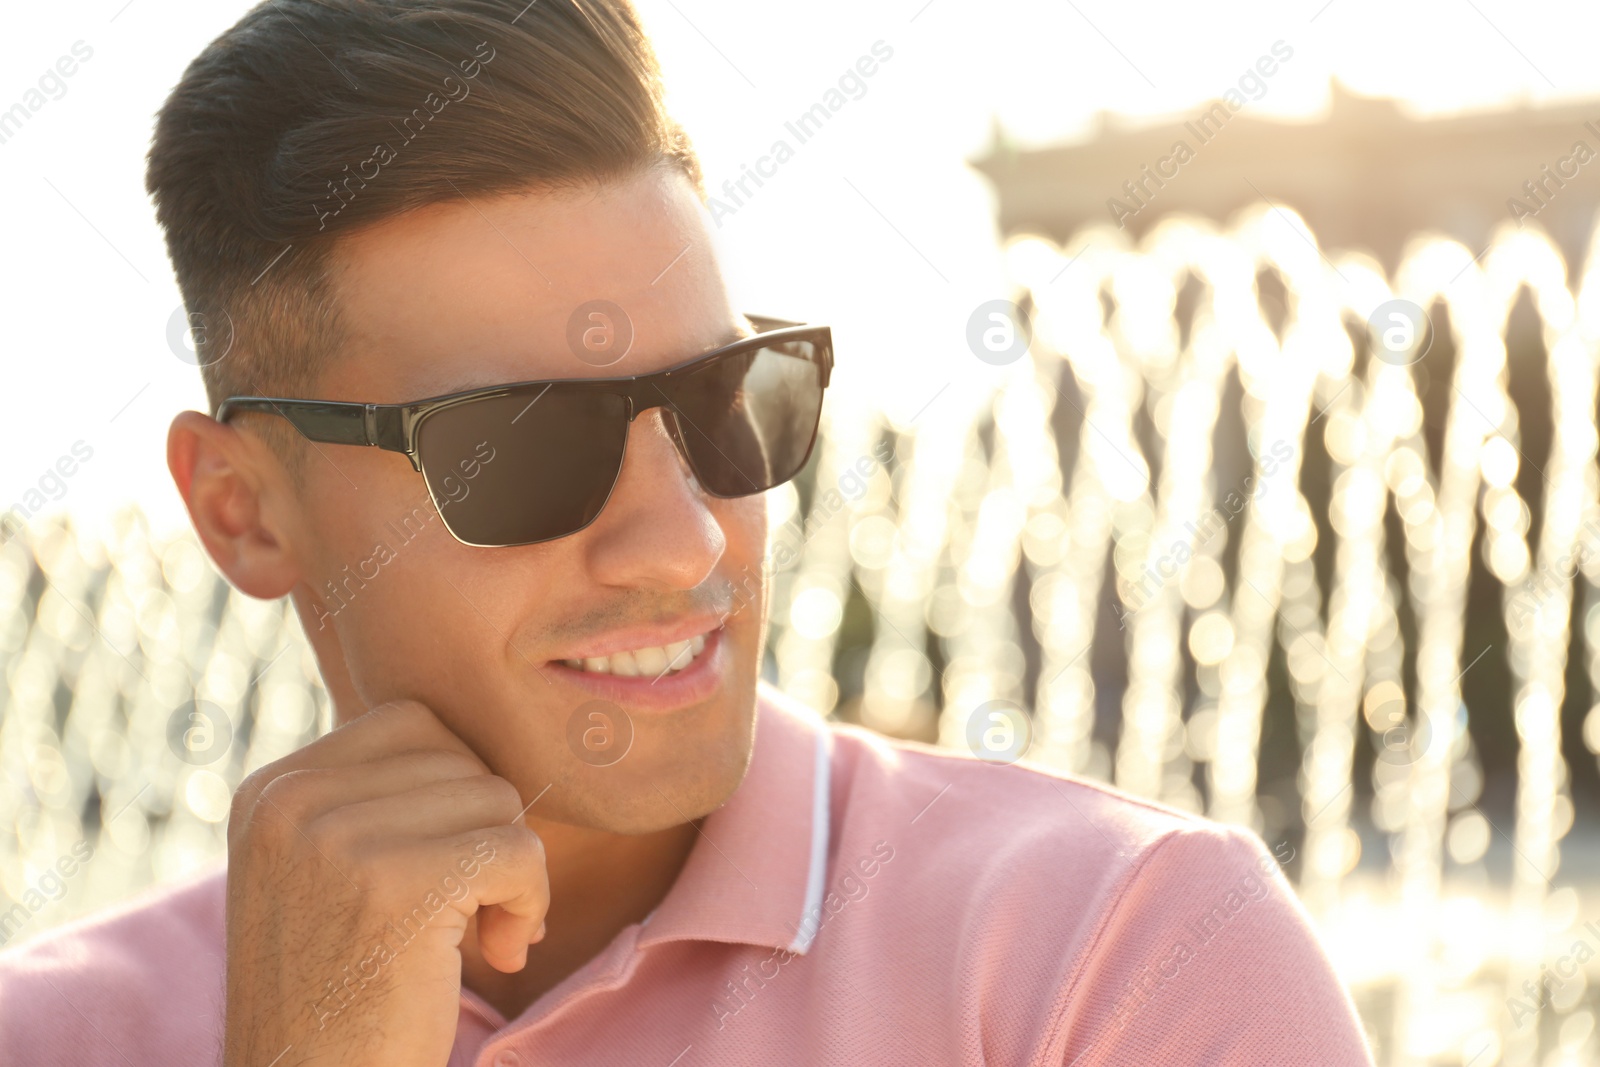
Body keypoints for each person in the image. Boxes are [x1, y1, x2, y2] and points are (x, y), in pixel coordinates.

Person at [0, 1, 1376, 1063]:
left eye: (728, 402)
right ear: (243, 511)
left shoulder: (1123, 958)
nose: (681, 544)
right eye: (523, 444)